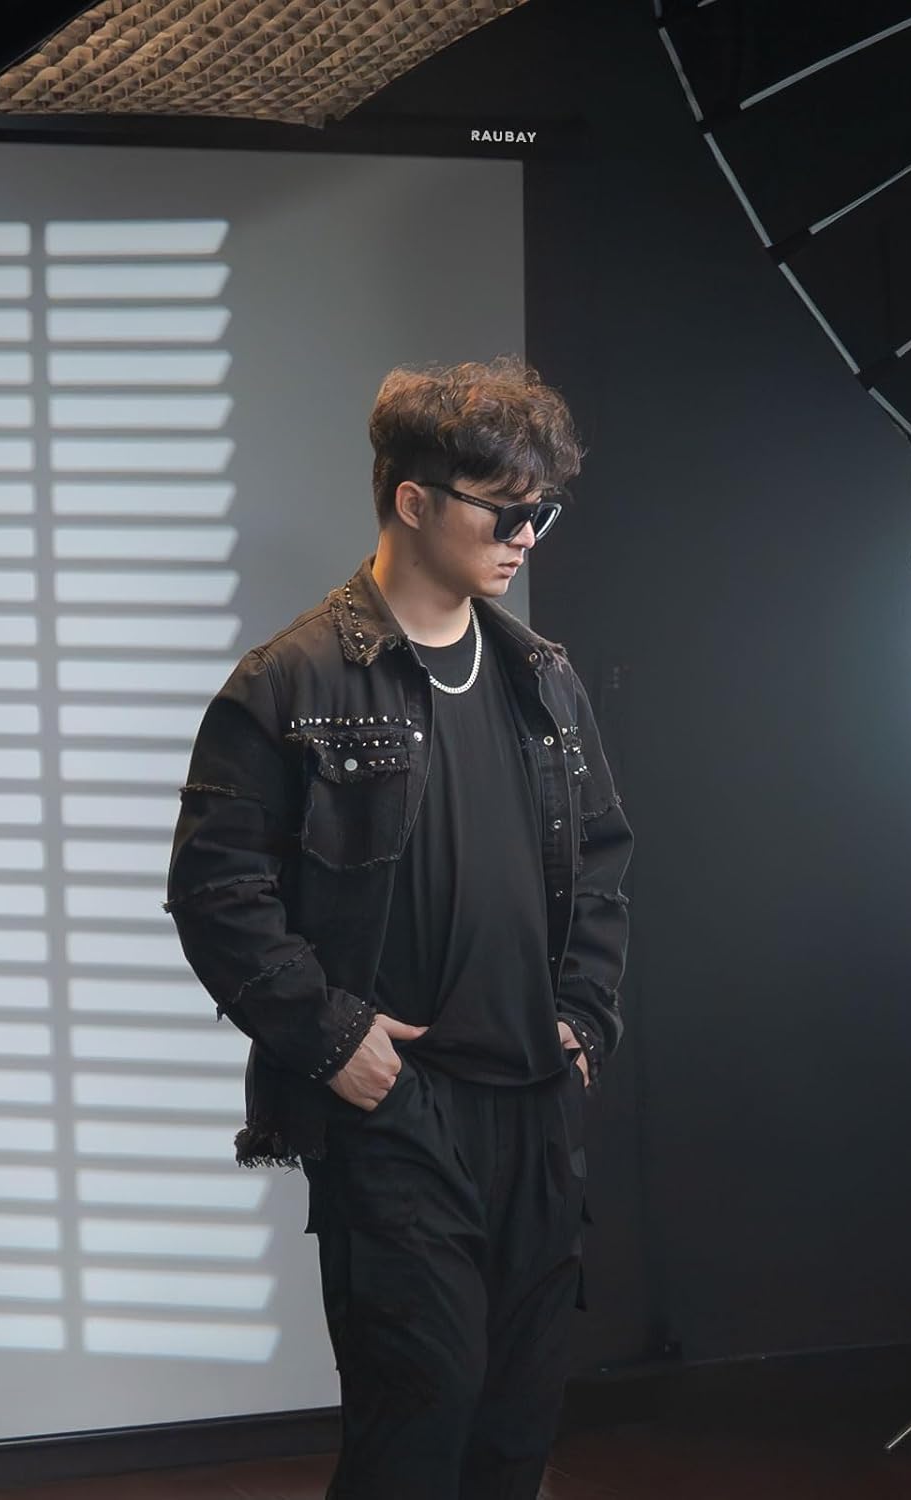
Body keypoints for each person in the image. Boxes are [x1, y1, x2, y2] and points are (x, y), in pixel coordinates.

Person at [166, 357, 633, 1499]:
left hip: (534, 1102)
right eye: (504, 511)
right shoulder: (288, 683)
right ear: (413, 500)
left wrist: (583, 1020)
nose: (526, 537)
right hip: (397, 1109)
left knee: (515, 1428)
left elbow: (602, 860)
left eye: (541, 513)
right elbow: (216, 893)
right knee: (419, 1418)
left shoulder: (543, 681)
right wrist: (334, 1041)